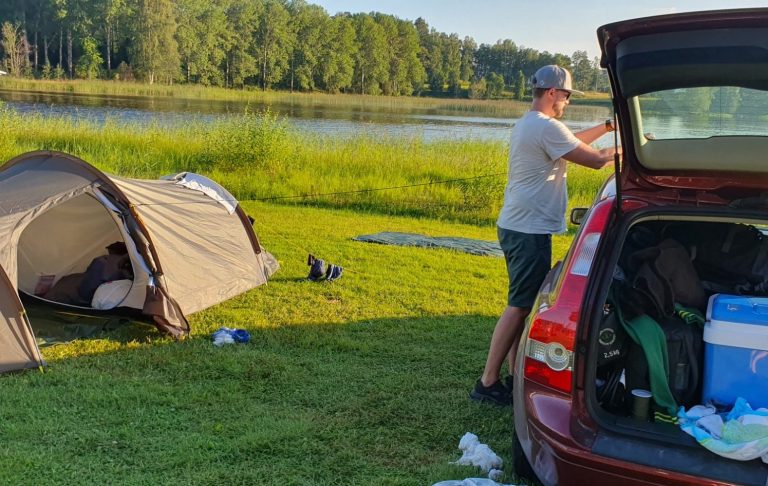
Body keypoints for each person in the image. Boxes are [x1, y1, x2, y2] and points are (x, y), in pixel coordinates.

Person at [470, 65, 620, 405]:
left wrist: (609, 126)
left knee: (521, 304)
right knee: (519, 306)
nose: (567, 102)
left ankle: (510, 376)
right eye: (566, 96)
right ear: (552, 92)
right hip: (528, 230)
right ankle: (487, 382)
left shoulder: (532, 124)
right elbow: (595, 161)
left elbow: (570, 143)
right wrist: (632, 153)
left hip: (518, 225)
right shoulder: (545, 126)